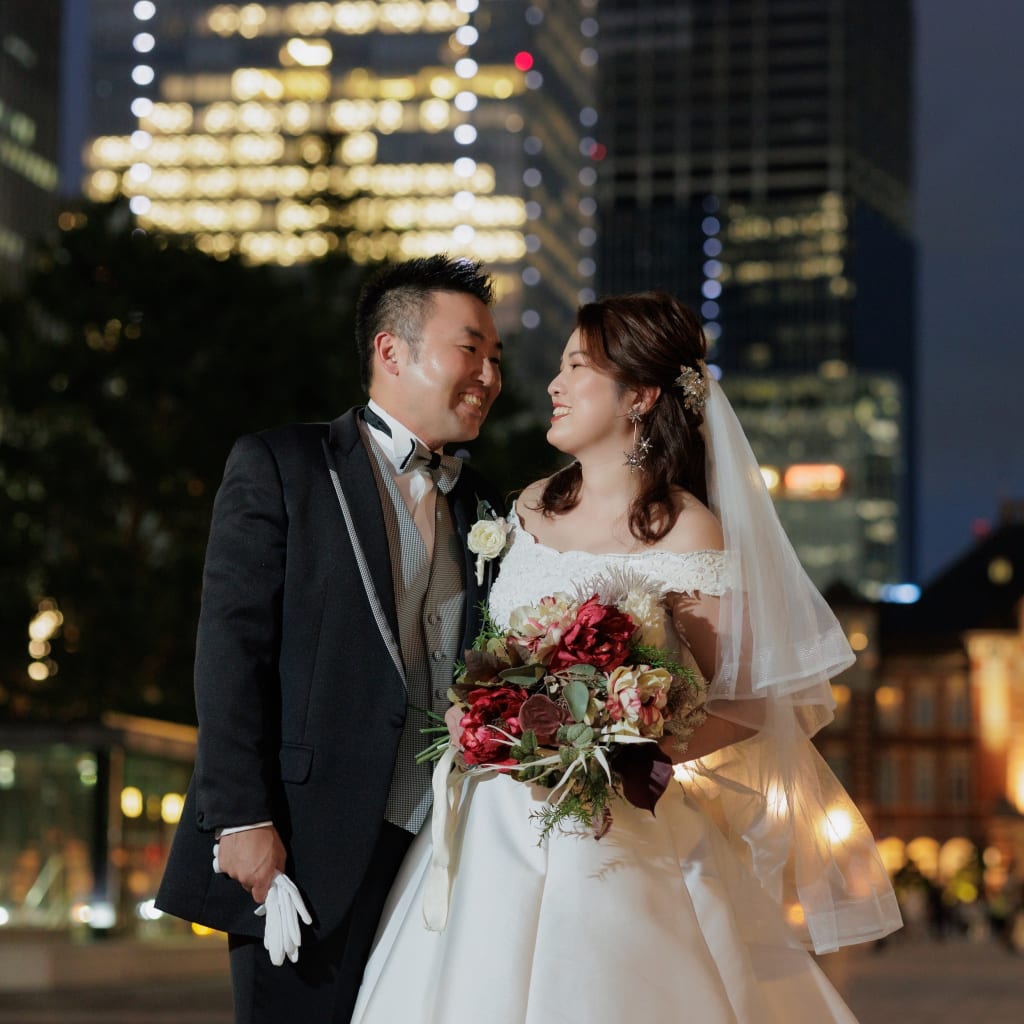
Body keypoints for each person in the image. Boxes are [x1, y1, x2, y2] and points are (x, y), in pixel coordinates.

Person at [351, 292, 902, 1024]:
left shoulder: (686, 530)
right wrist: (489, 716)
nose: (553, 384)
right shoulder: (527, 509)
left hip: (617, 832)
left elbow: (742, 702)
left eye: (577, 365)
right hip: (489, 824)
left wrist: (616, 742)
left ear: (640, 396)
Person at [156, 255, 505, 1023]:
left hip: (439, 845)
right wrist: (241, 819)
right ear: (392, 351)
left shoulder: (484, 502)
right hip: (303, 840)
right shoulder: (282, 465)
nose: (488, 374)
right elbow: (230, 651)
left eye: (495, 358)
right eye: (470, 349)